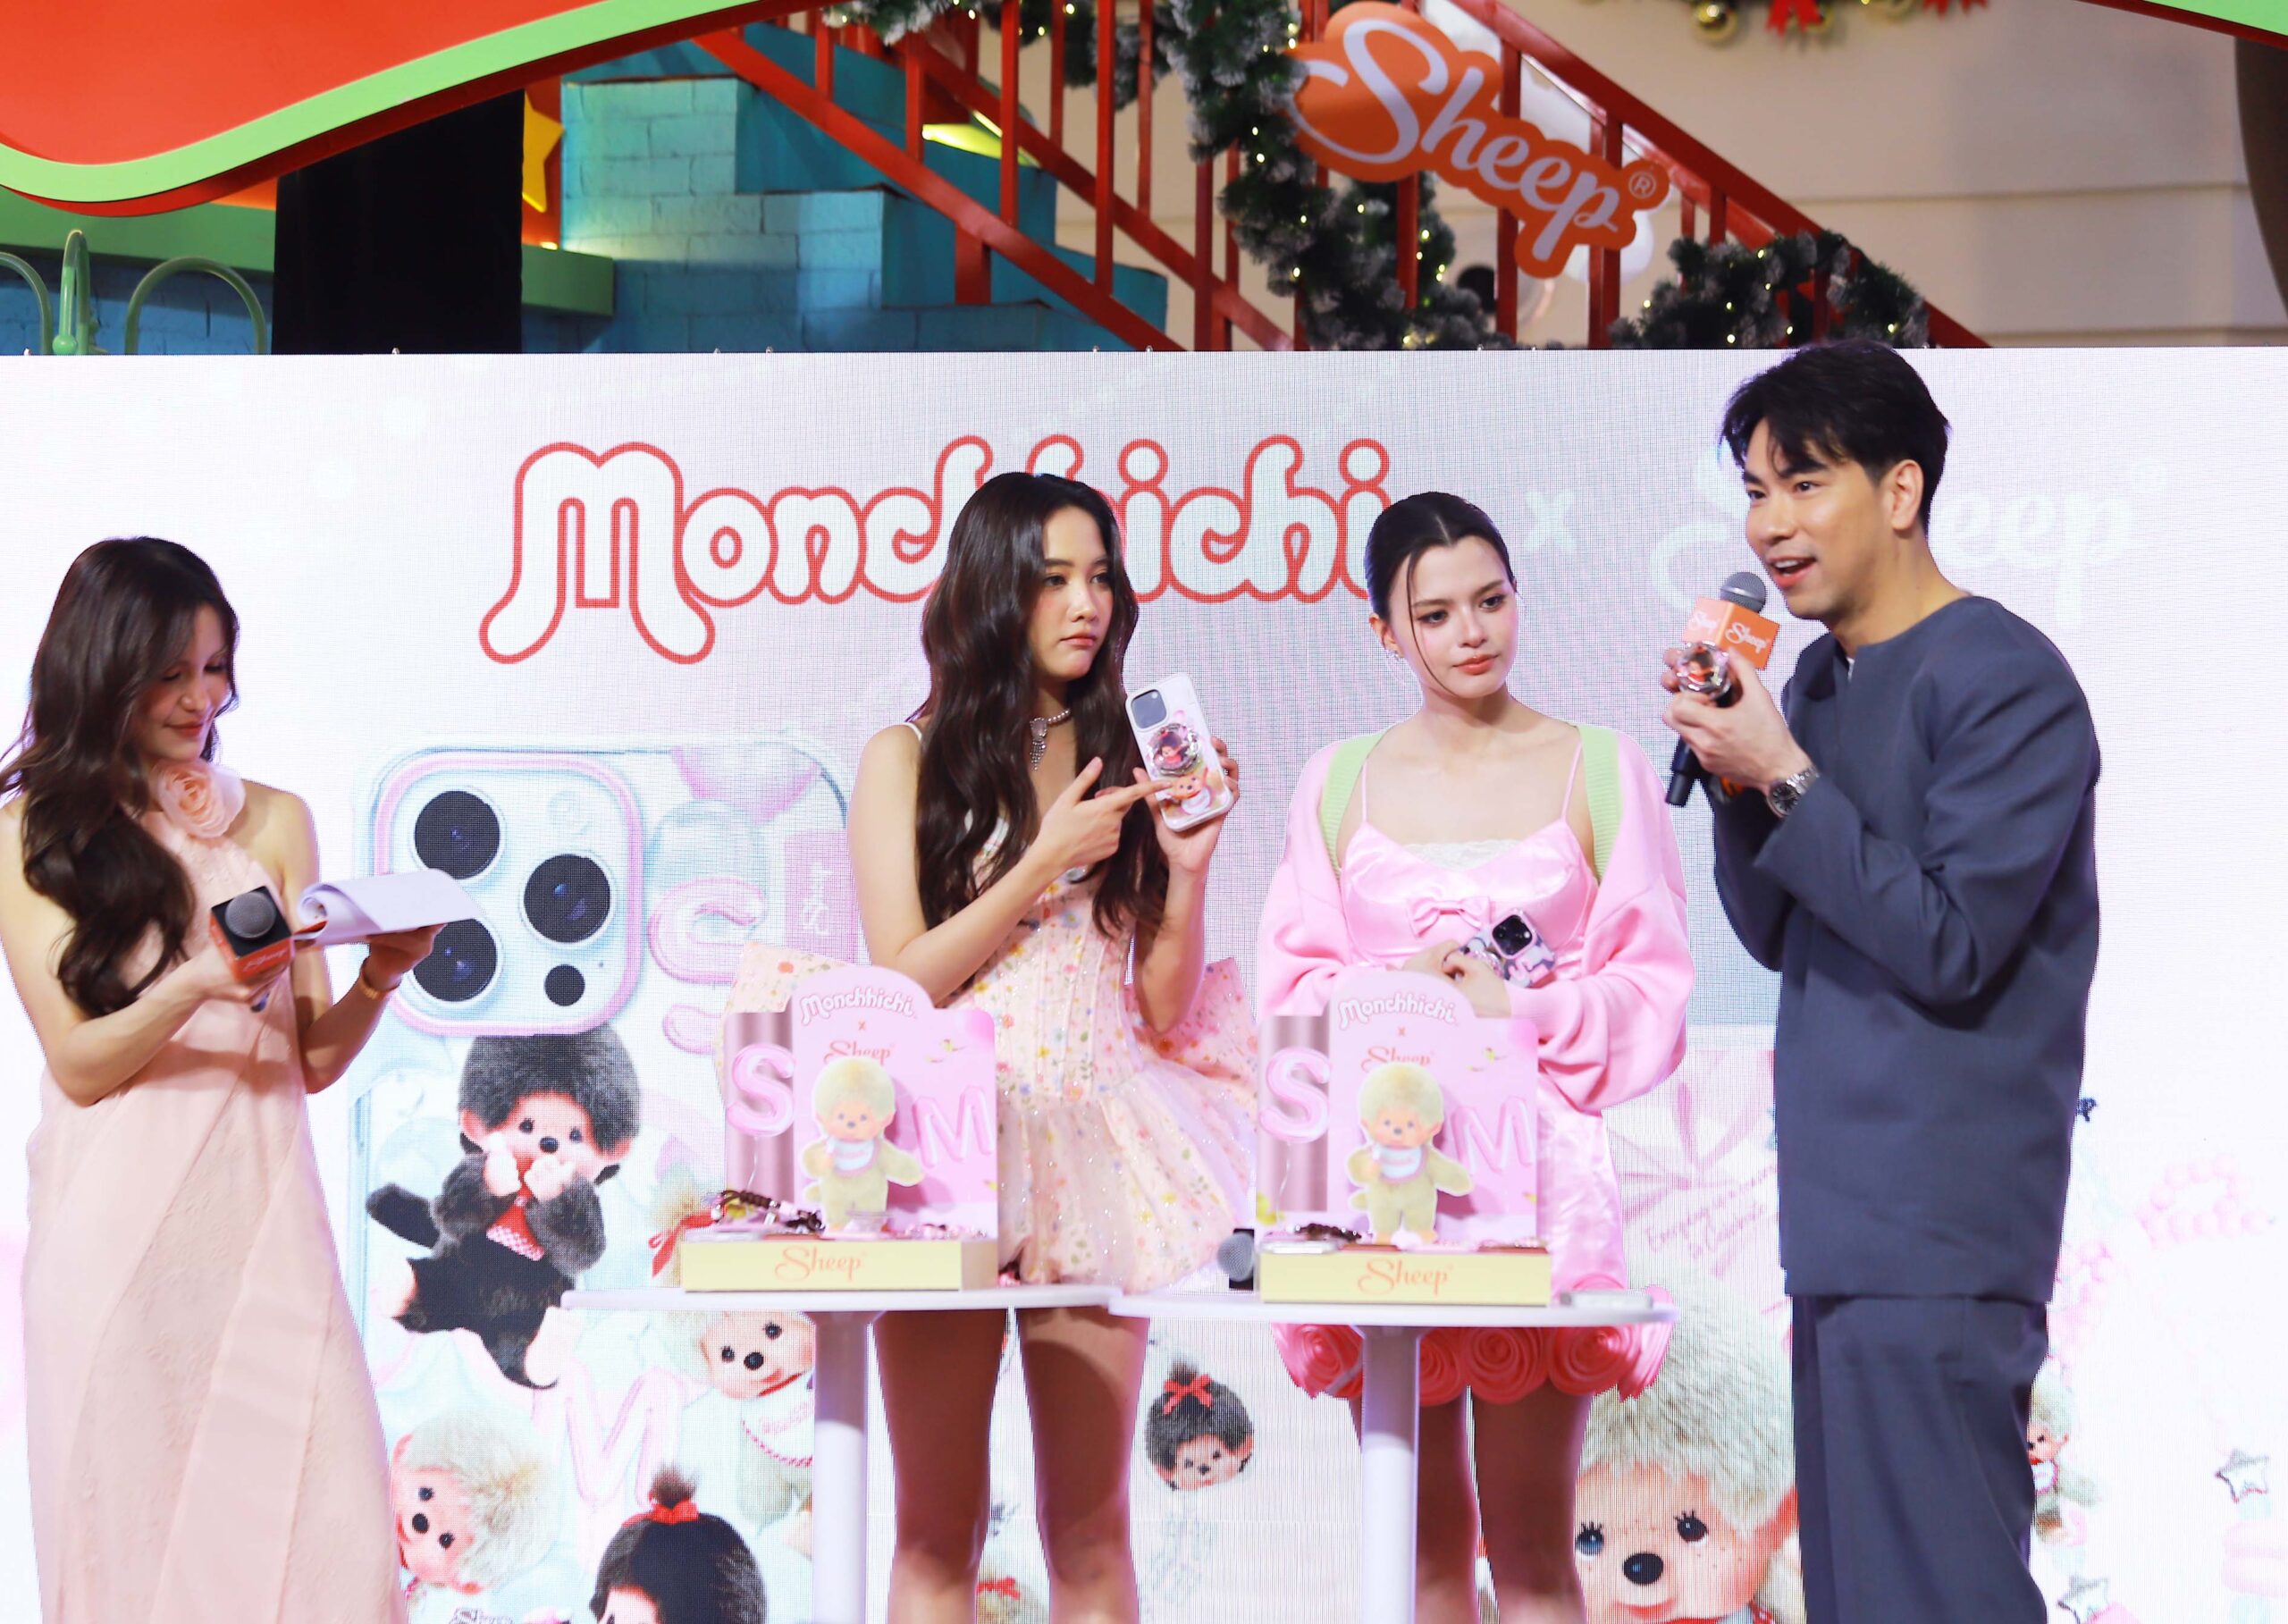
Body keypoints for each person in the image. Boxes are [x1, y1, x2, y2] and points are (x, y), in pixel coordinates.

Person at [1661, 340, 2100, 1624]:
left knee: (1944, 1590)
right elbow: (1773, 928)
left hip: (1944, 1221)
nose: (1770, 524)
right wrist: (1738, 772)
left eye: (1804, 483)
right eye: (1756, 491)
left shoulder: (2005, 677)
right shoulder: (1813, 680)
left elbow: (1952, 940)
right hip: (1838, 1223)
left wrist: (1784, 772)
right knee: (1856, 1594)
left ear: (1900, 490)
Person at [1258, 492, 1692, 1623]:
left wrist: (1517, 1008)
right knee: (1415, 1550)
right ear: (1384, 632)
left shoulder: (1600, 767)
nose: (1472, 632)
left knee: (1534, 1548)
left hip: (1542, 1193)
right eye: (1436, 612)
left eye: (1491, 600)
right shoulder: (1337, 779)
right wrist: (1400, 996)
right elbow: (1290, 997)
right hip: (1378, 1193)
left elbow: (1652, 991)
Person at [0, 537, 442, 1623]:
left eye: (215, 668)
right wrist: (199, 980)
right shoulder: (28, 834)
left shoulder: (276, 818)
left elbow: (312, 1057)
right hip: (114, 1252)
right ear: (102, 670)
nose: (202, 699)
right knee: (131, 1559)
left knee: (331, 1545)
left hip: (265, 1233)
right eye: (172, 673)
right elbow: (78, 1061)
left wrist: (383, 973)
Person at [842, 471, 1252, 1621]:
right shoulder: (905, 756)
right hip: (947, 1156)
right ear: (993, 589)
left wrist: (1187, 866)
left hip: (1093, 1148)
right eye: (1055, 578)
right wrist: (1037, 864)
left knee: (1090, 1528)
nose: (1087, 603)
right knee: (936, 1526)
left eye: (1102, 576)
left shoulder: (1129, 749)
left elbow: (1162, 1005)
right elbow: (899, 981)